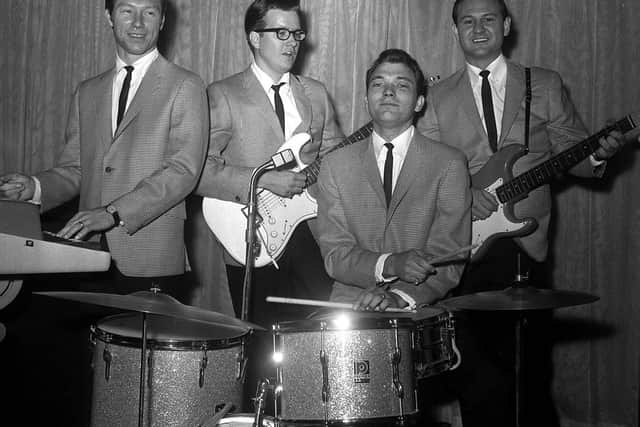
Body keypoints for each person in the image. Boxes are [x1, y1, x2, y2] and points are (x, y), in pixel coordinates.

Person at [418, 0, 628, 425]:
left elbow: (574, 153)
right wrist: (460, 195)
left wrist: (599, 156)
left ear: (507, 26)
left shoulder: (544, 84)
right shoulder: (436, 96)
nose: (478, 28)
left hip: (526, 249)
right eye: (467, 21)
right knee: (476, 375)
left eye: (488, 19)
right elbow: (424, 170)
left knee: (530, 371)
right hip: (464, 246)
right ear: (453, 30)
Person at [193, 0, 343, 409]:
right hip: (251, 234)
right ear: (254, 38)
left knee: (321, 345)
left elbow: (335, 161)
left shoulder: (315, 94)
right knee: (262, 352)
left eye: (297, 33)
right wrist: (262, 180)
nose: (292, 42)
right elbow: (197, 170)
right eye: (281, 33)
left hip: (311, 234)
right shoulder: (222, 95)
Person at [0, 0, 208, 295]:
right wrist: (34, 187)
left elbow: (182, 172)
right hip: (88, 254)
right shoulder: (87, 92)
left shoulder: (186, 86)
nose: (138, 23)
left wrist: (113, 212)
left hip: (150, 258)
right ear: (109, 16)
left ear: (162, 21)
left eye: (149, 12)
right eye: (127, 11)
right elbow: (77, 169)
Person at [317, 48, 471, 315]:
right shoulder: (335, 165)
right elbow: (335, 255)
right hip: (348, 309)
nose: (388, 92)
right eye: (378, 84)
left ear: (420, 102)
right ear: (366, 99)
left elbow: (450, 256)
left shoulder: (449, 164)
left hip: (417, 311)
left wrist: (400, 297)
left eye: (401, 85)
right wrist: (390, 264)